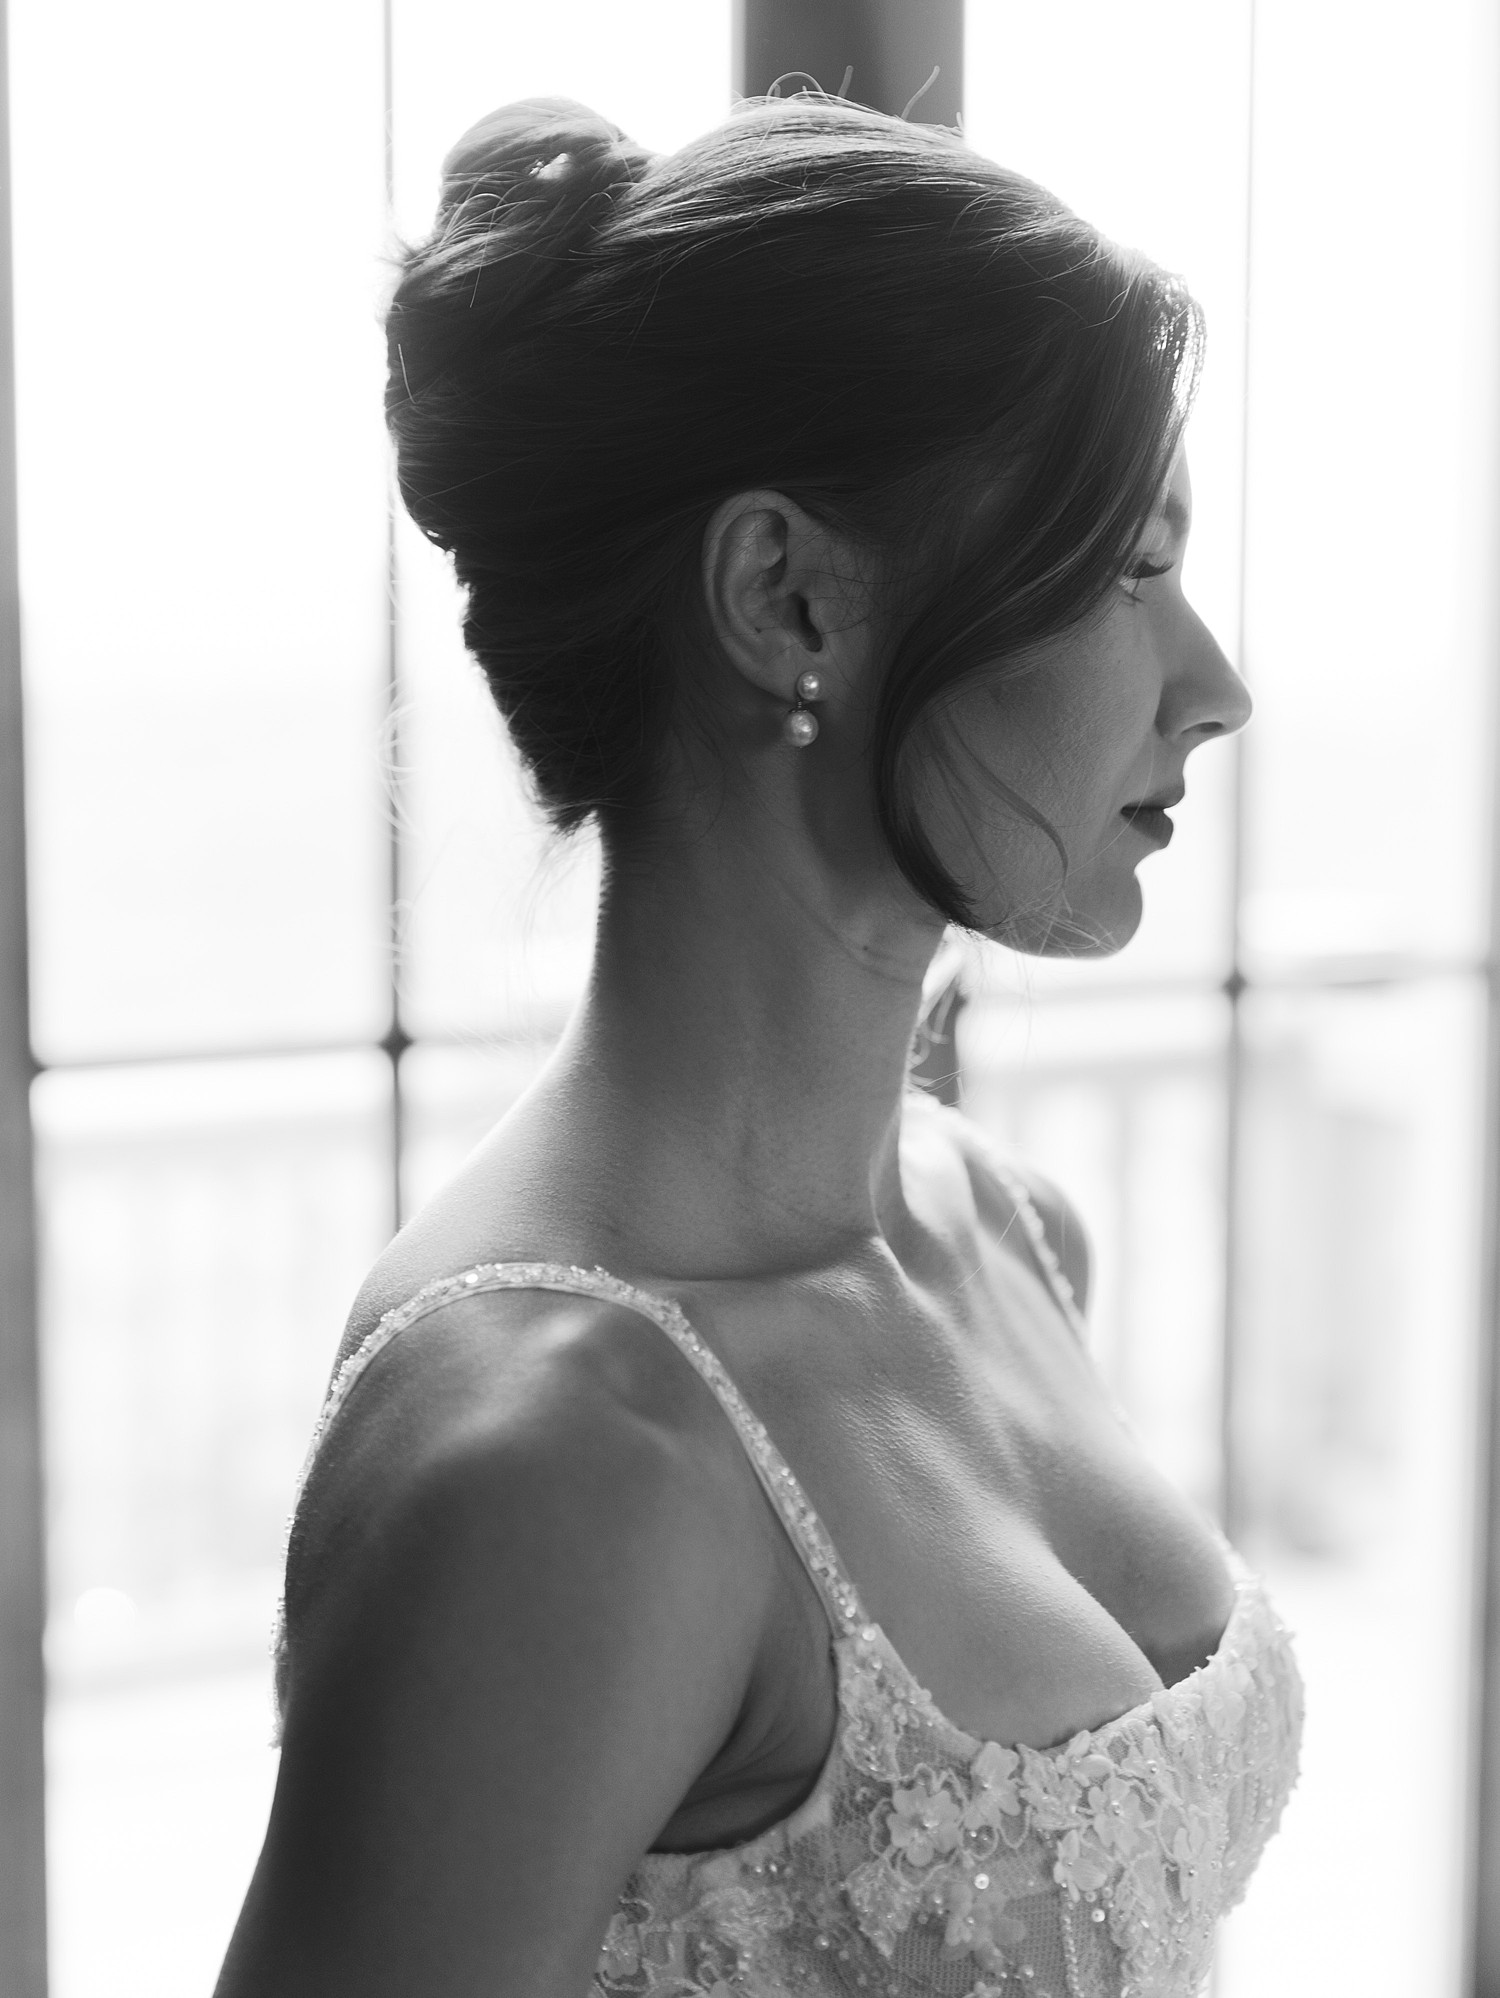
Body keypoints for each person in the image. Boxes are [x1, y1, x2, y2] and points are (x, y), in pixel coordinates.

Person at [216, 94, 1302, 1998]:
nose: (1212, 685)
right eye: (1129, 568)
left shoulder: (1008, 1228)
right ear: (788, 597)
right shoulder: (555, 1454)